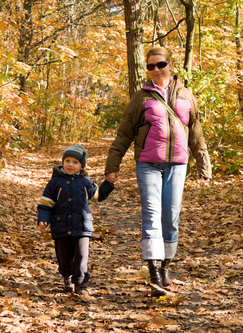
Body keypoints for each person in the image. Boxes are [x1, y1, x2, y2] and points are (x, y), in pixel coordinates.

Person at [104, 46, 212, 297]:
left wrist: (203, 165)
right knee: (152, 216)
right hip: (148, 164)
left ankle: (165, 268)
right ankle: (154, 273)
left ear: (169, 65)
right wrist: (113, 166)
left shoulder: (186, 94)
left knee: (171, 217)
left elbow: (195, 132)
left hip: (178, 164)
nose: (155, 70)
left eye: (160, 65)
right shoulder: (141, 97)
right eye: (150, 66)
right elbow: (124, 133)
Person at [37, 144, 114, 295]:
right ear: (63, 162)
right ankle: (67, 276)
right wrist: (43, 219)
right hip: (61, 227)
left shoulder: (85, 182)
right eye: (68, 161)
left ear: (81, 165)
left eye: (75, 162)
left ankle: (80, 285)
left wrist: (109, 183)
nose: (70, 165)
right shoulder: (55, 182)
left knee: (81, 256)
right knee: (64, 258)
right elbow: (46, 204)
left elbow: (98, 195)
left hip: (82, 226)